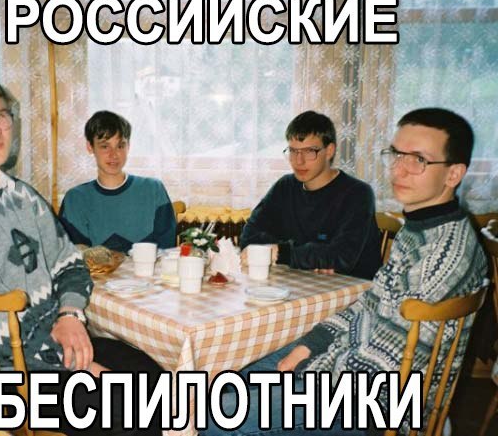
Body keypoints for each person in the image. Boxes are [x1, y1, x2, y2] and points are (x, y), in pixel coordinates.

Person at [203, 108, 488, 436]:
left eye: (418, 160)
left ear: (453, 174)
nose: (398, 169)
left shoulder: (445, 253)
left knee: (214, 416)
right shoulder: (420, 228)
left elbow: (383, 364)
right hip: (348, 373)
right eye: (396, 154)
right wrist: (310, 345)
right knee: (223, 378)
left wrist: (310, 368)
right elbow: (369, 304)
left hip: (374, 408)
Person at [0, 74, 162, 435]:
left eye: (0, 116)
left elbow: (69, 261)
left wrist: (70, 315)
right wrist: (74, 365)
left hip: (54, 339)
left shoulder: (21, 195)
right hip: (11, 374)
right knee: (138, 407)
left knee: (158, 377)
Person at [240, 111, 381, 280]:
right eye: (293, 151)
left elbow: (342, 257)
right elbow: (249, 236)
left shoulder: (357, 194)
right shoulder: (285, 187)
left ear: (329, 151)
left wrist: (283, 252)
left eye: (309, 151)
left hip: (352, 289)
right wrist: (312, 256)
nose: (299, 161)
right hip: (300, 283)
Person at [59, 110, 176, 253]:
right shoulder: (75, 199)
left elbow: (166, 248)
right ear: (90, 147)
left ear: (128, 147)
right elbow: (75, 254)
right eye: (105, 146)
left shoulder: (153, 190)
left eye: (120, 146)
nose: (114, 155)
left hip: (148, 267)